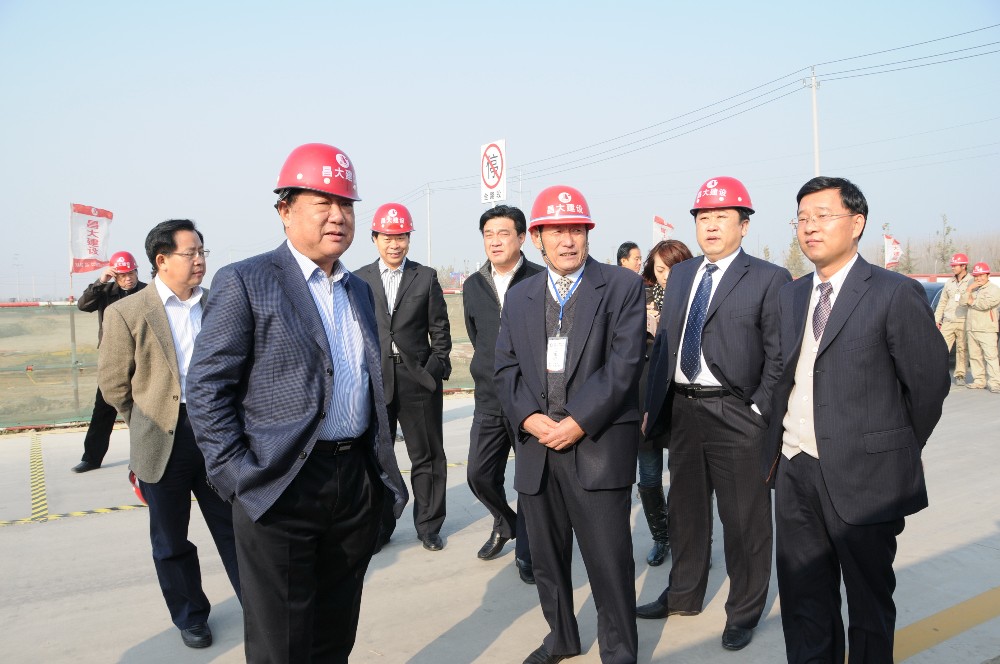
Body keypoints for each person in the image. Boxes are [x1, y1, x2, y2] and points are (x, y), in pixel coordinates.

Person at [186, 143, 408, 663]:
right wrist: (239, 475)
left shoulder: (357, 289)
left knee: (335, 633)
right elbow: (207, 387)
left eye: (346, 204)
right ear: (284, 210)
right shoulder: (247, 280)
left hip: (353, 481)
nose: (338, 216)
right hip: (281, 482)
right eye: (322, 203)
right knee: (281, 642)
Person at [765, 176, 949, 663]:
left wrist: (891, 448)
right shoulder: (791, 296)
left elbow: (928, 384)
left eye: (823, 216)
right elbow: (783, 375)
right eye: (802, 219)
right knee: (804, 600)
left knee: (868, 605)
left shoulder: (893, 292)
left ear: (857, 223)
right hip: (796, 467)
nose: (810, 227)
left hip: (868, 477)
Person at [496, 185, 645, 664]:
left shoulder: (620, 287)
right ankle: (560, 637)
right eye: (556, 230)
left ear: (587, 234)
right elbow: (505, 368)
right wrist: (528, 418)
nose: (567, 240)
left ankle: (618, 652)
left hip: (596, 446)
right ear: (537, 237)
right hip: (538, 448)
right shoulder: (520, 296)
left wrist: (578, 422)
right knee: (547, 560)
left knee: (609, 561)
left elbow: (624, 366)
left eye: (576, 230)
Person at [639, 177, 790, 652]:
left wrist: (759, 408)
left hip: (736, 412)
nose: (710, 226)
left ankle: (743, 611)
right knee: (685, 511)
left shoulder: (768, 278)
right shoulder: (683, 275)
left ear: (744, 226)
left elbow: (779, 355)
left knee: (744, 520)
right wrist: (653, 405)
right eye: (703, 217)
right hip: (684, 410)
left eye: (722, 217)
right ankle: (683, 595)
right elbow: (666, 344)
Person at [98, 220, 240, 649]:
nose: (199, 261)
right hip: (162, 439)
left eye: (201, 252)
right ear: (161, 260)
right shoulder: (128, 312)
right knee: (170, 539)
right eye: (189, 253)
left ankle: (259, 603)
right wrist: (146, 421)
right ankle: (191, 616)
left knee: (238, 528)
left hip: (218, 435)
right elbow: (114, 385)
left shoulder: (218, 304)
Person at [355, 202, 452, 552]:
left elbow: (440, 330)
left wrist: (433, 371)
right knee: (377, 457)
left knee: (427, 456)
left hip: (418, 380)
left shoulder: (425, 277)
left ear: (409, 239)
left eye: (401, 237)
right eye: (387, 237)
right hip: (375, 380)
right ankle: (381, 526)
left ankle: (429, 526)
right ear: (374, 238)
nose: (394, 244)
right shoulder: (358, 279)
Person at [463, 204, 543, 581]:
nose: (495, 241)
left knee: (529, 481)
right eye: (488, 235)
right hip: (490, 396)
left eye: (503, 233)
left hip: (530, 399)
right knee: (478, 474)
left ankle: (527, 551)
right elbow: (478, 336)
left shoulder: (540, 279)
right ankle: (506, 522)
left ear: (522, 237)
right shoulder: (473, 285)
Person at [636, 239, 693, 567]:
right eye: (660, 269)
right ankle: (661, 536)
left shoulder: (696, 297)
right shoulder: (640, 299)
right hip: (646, 394)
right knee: (648, 477)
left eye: (673, 268)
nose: (666, 275)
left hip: (683, 396)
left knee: (687, 479)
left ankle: (694, 539)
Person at [72, 250, 147, 473]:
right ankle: (91, 458)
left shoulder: (147, 292)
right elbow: (83, 305)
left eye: (131, 273)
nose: (128, 279)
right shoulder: (105, 292)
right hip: (114, 361)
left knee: (145, 412)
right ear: (115, 275)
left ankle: (145, 458)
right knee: (103, 410)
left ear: (136, 272)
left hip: (143, 360)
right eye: (122, 275)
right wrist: (101, 281)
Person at [934, 252, 973, 385]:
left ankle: (960, 375)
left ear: (963, 266)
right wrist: (937, 319)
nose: (953, 268)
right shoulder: (949, 282)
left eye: (955, 265)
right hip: (948, 320)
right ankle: (938, 373)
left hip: (964, 320)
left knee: (962, 349)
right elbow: (942, 302)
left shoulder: (972, 281)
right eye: (952, 265)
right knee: (941, 348)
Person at [964, 261, 1000, 392]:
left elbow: (985, 305)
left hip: (987, 329)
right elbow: (962, 302)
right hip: (971, 328)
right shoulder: (972, 288)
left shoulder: (994, 290)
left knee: (991, 357)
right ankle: (979, 381)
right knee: (974, 356)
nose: (978, 278)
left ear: (988, 275)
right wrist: (969, 290)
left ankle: (995, 383)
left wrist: (971, 301)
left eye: (981, 275)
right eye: (976, 276)